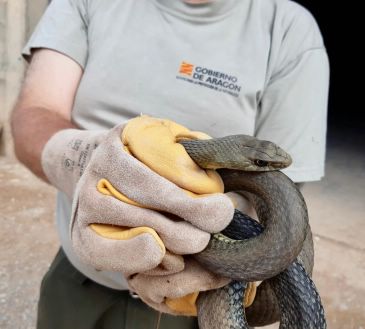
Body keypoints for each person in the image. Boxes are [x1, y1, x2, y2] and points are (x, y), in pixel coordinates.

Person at [11, 0, 329, 328]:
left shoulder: (288, 28)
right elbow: (34, 114)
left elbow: (278, 196)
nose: (267, 164)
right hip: (80, 277)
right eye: (260, 162)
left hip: (193, 303)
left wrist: (213, 229)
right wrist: (86, 162)